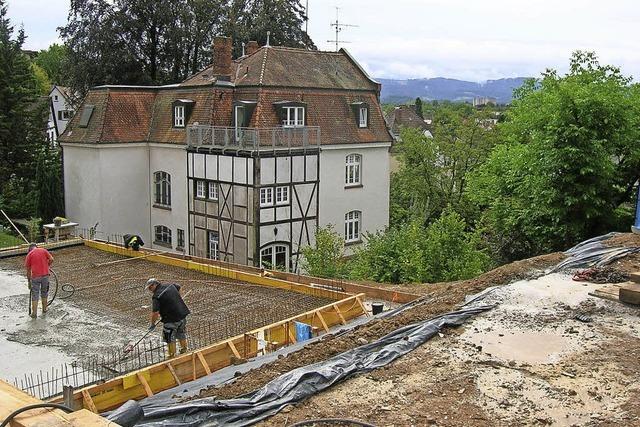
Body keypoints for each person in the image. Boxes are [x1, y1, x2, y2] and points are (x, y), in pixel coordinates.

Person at [145, 278, 190, 358]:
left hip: (170, 319)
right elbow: (178, 287)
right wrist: (176, 298)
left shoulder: (156, 296)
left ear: (154, 285)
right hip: (182, 315)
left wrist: (152, 324)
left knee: (169, 337)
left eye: (150, 288)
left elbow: (155, 312)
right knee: (181, 333)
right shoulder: (169, 285)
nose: (150, 290)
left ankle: (171, 355)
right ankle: (184, 350)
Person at [24, 243, 54, 318]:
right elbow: (51, 259)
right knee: (44, 292)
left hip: (35, 277)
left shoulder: (29, 255)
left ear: (29, 250)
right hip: (45, 276)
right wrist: (47, 265)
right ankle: (44, 309)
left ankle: (34, 313)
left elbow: (28, 271)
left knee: (35, 295)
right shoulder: (43, 250)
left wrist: (29, 281)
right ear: (36, 247)